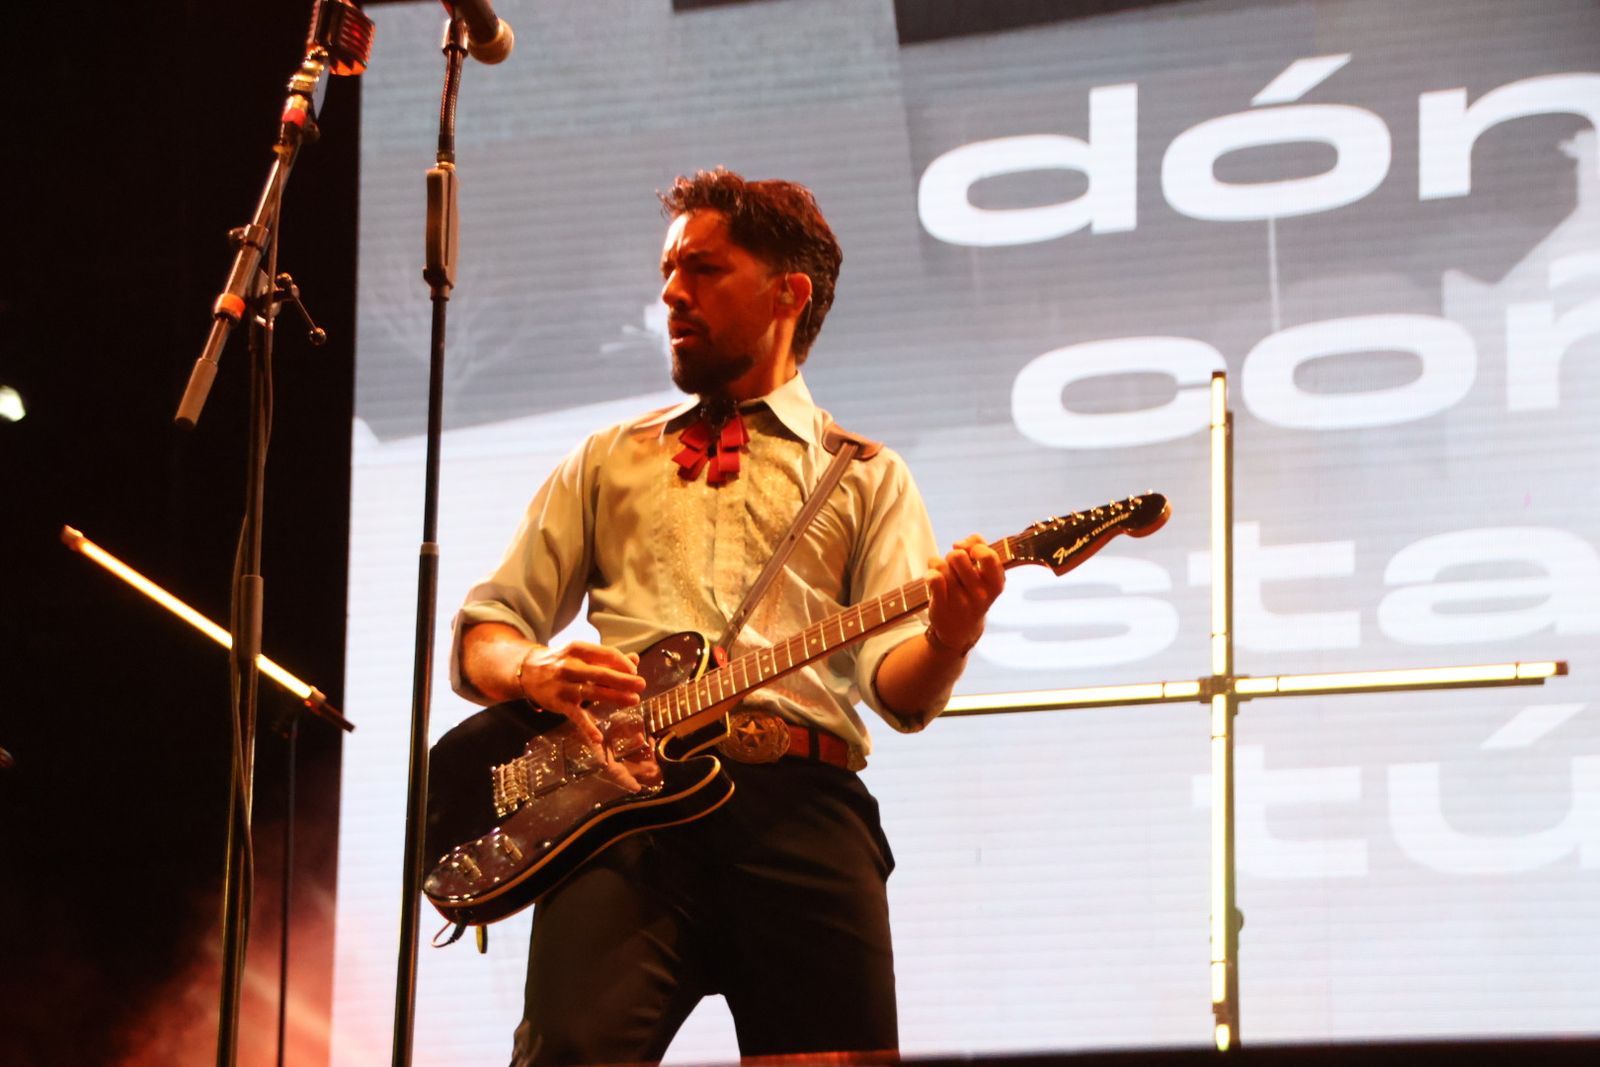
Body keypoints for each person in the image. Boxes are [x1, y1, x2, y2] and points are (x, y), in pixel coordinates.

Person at [450, 168, 1005, 1066]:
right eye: (669, 270)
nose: (673, 292)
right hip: (623, 812)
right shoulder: (607, 459)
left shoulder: (867, 474)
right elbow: (487, 628)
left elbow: (900, 693)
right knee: (569, 1053)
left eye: (703, 269)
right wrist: (532, 668)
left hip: (804, 808)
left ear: (790, 294)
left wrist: (951, 633)